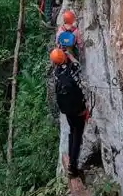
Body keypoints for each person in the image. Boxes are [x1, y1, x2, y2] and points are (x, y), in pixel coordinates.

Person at [50, 48, 90, 178]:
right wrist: (71, 57)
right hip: (78, 109)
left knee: (72, 132)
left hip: (67, 110)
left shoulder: (56, 72)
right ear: (64, 57)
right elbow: (79, 69)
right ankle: (73, 167)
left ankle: (71, 164)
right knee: (78, 135)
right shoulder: (71, 69)